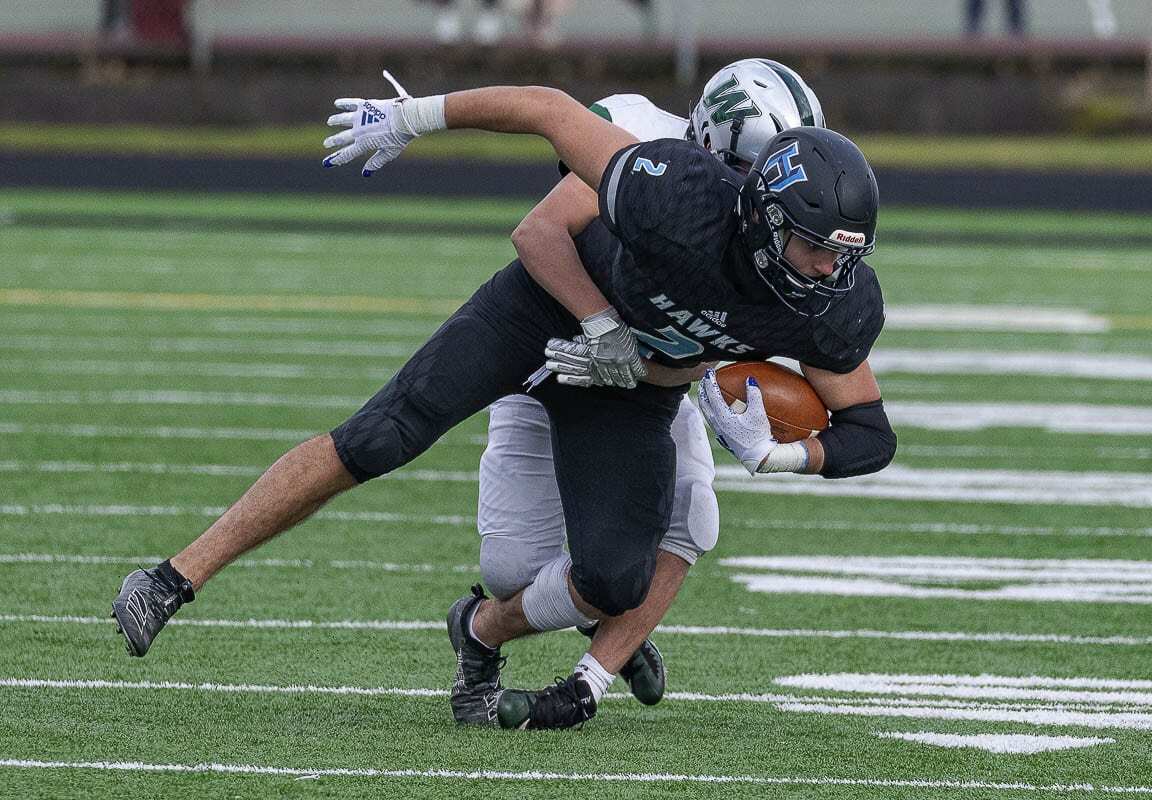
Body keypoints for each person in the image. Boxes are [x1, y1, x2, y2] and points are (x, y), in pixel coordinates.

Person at [110, 78, 895, 733]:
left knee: (619, 576)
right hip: (544, 316)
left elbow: (869, 429)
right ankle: (172, 578)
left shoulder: (831, 302)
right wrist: (412, 116)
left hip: (627, 389)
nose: (827, 270)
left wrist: (779, 453)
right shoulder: (677, 194)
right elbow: (549, 113)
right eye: (813, 248)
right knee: (381, 436)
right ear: (757, 210)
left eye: (842, 255)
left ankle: (506, 631)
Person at [474, 59, 827, 726]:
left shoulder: (772, 224)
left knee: (695, 515)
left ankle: (589, 679)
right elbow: (540, 234)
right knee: (514, 572)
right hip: (562, 357)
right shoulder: (634, 139)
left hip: (656, 385)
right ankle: (580, 609)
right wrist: (606, 331)